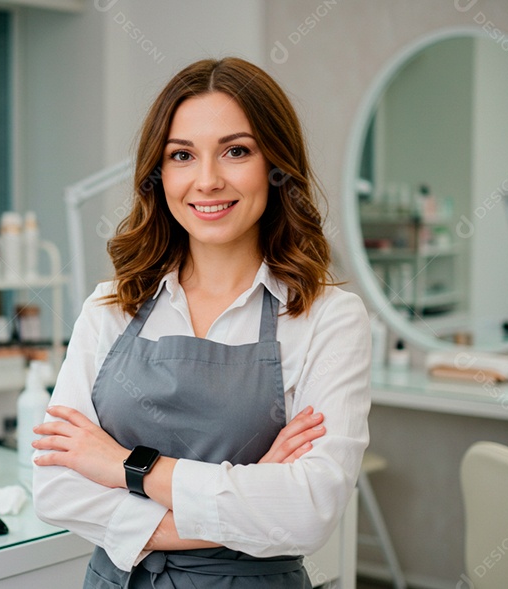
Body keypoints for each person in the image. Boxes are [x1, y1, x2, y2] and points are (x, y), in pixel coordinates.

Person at [31, 57, 371, 588]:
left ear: (276, 166)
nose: (207, 180)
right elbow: (56, 488)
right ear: (159, 173)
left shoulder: (327, 317)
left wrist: (126, 467)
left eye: (236, 151)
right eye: (182, 155)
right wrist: (252, 491)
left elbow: (309, 512)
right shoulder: (110, 306)